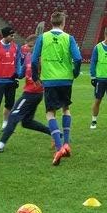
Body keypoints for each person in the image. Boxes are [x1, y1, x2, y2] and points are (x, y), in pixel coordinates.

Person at [32, 9, 82, 165]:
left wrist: (35, 77)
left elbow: (34, 60)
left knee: (50, 113)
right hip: (66, 79)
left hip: (50, 80)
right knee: (66, 109)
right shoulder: (69, 38)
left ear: (51, 22)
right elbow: (78, 58)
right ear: (63, 23)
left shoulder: (42, 37)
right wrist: (75, 73)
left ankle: (59, 147)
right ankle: (66, 144)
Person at [0, 36, 51, 152]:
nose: (27, 48)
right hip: (31, 93)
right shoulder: (29, 56)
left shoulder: (44, 58)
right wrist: (15, 75)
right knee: (27, 122)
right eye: (27, 46)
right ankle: (55, 133)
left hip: (32, 93)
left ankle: (1, 144)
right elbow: (22, 73)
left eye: (30, 46)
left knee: (13, 116)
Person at [0, 26, 22, 133]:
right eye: (11, 35)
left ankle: (5, 124)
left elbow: (18, 63)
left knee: (9, 104)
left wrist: (17, 76)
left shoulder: (16, 47)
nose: (13, 37)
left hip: (11, 81)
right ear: (6, 36)